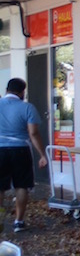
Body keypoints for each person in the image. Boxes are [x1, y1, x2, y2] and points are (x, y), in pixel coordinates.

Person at [0, 78, 49, 233]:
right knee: (21, 186)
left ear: (7, 89)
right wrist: (42, 154)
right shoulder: (27, 107)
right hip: (20, 150)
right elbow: (33, 133)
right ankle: (19, 221)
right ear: (22, 92)